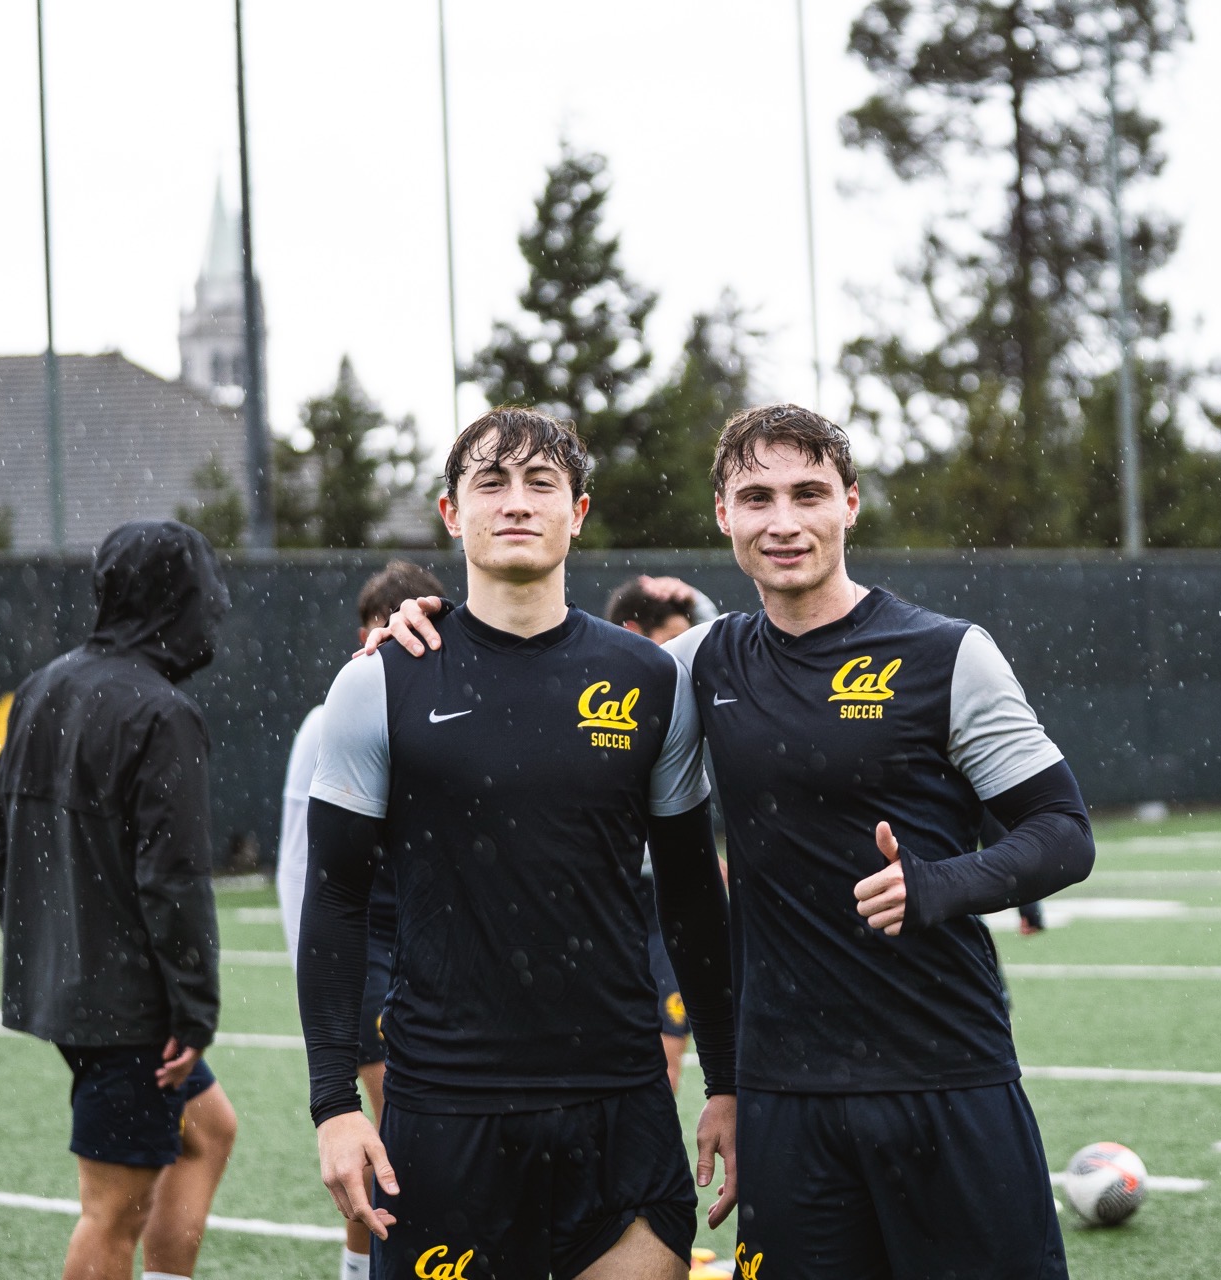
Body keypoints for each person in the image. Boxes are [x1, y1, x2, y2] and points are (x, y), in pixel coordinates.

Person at [382, 404, 1095, 1278]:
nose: (784, 522)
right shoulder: (696, 664)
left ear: (851, 504)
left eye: (809, 494)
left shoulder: (949, 655)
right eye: (756, 497)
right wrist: (429, 625)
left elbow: (1064, 834)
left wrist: (938, 886)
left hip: (947, 1073)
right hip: (783, 1100)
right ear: (724, 514)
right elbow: (542, 659)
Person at [297, 407, 738, 1279]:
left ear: (577, 512)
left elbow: (691, 896)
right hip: (446, 1117)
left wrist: (724, 1079)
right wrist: (333, 1105)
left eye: (542, 483)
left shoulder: (650, 680)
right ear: (451, 513)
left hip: (621, 1109)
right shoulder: (378, 683)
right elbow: (337, 900)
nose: (516, 502)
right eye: (490, 483)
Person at [0, 520, 237, 1280]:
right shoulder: (161, 712)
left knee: (209, 1131)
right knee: (110, 1213)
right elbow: (174, 880)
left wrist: (49, 951)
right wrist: (193, 1008)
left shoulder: (43, 685)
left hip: (75, 990)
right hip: (130, 1007)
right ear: (177, 599)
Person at [276, 560, 445, 1280]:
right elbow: (301, 863)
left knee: (412, 1138)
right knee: (393, 1141)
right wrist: (314, 976)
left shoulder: (442, 698)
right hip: (367, 948)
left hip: (419, 943)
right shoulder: (337, 712)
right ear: (366, 632)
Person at [604, 577, 718, 1094]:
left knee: (665, 1062)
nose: (683, 653)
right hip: (611, 904)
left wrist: (697, 597)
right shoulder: (591, 692)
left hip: (672, 905)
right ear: (633, 632)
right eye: (674, 638)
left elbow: (724, 641)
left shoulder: (678, 693)